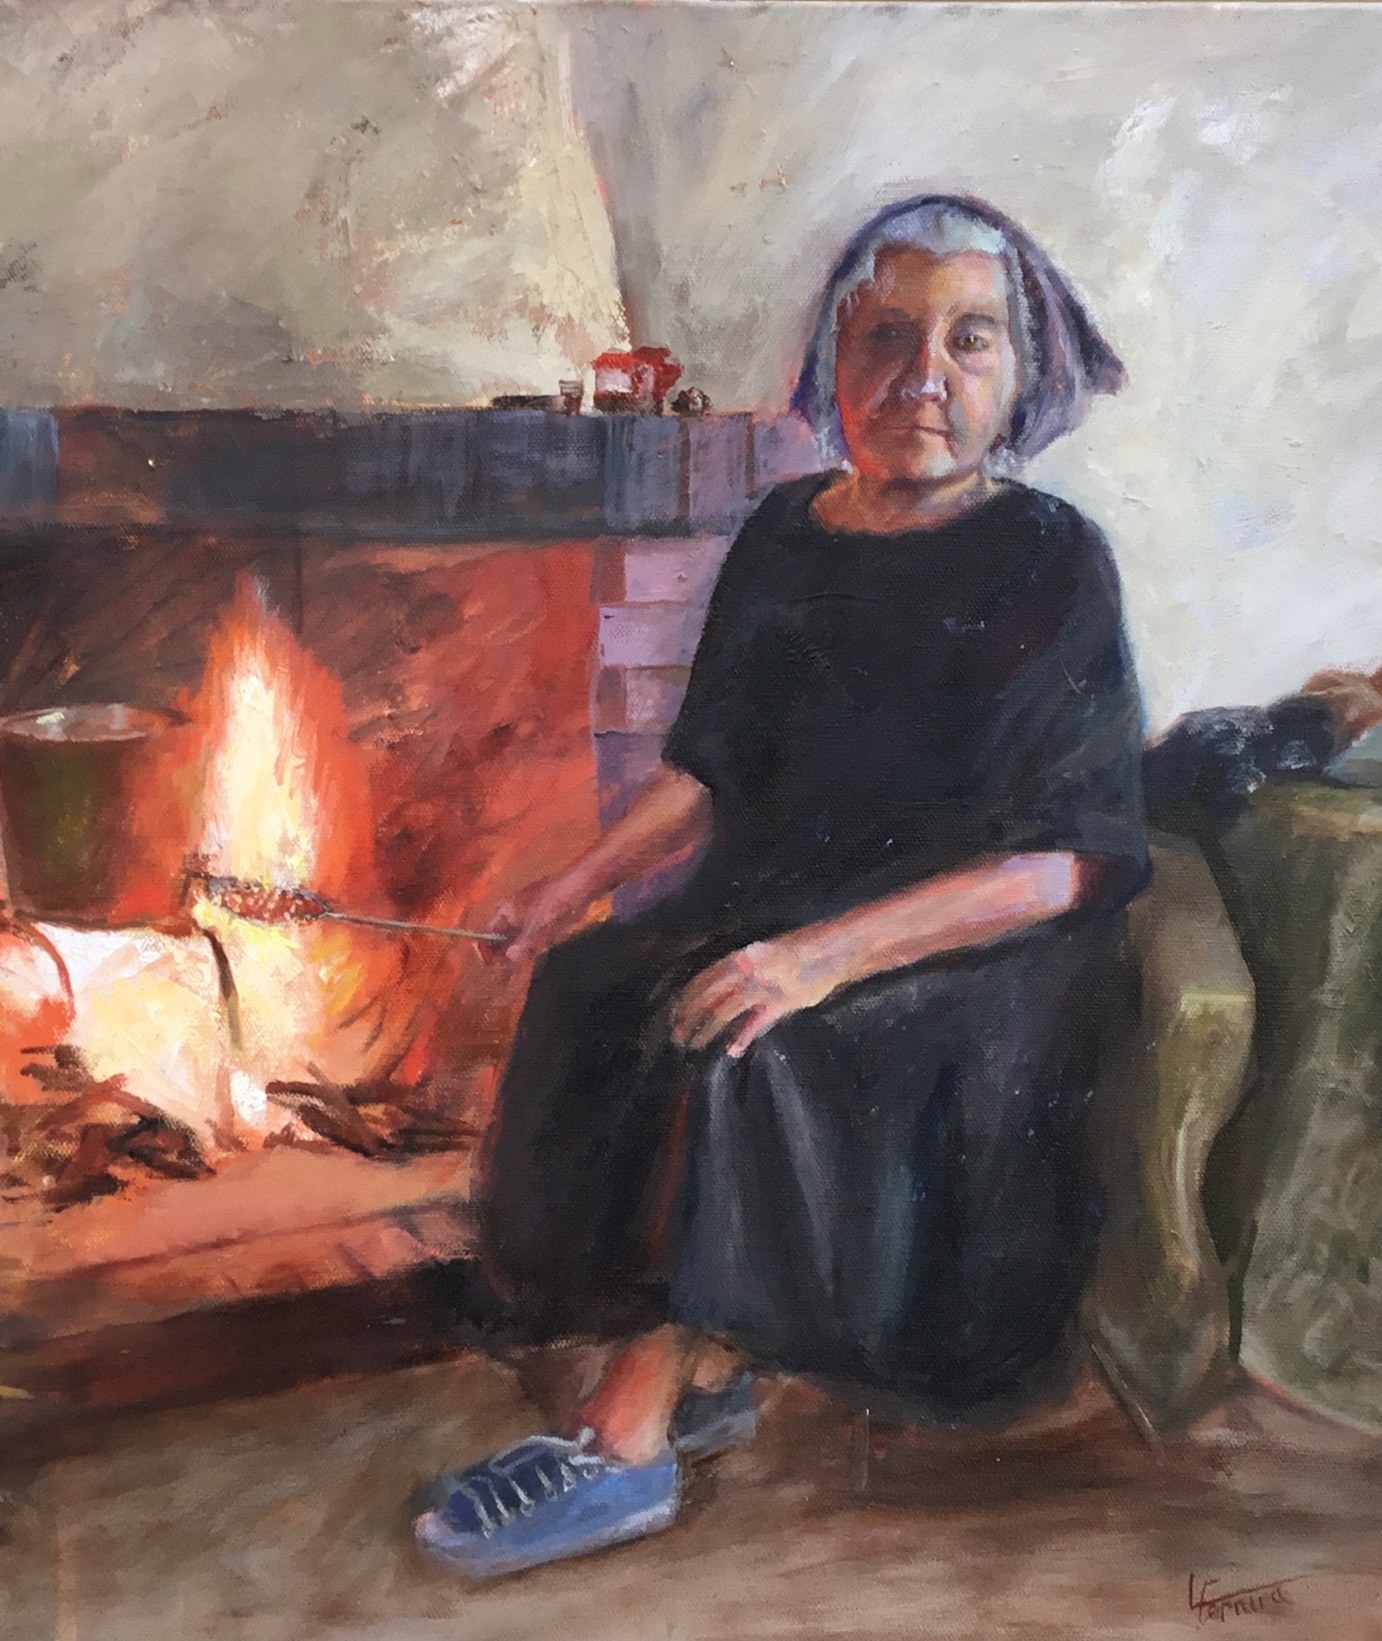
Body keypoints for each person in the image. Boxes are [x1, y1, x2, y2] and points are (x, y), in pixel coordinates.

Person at [414, 195, 1150, 1580]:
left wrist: (821, 959)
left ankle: (625, 1438)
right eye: (886, 337)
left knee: (748, 1034)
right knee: (596, 984)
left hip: (969, 958)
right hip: (783, 908)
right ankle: (695, 1357)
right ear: (833, 361)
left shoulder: (1051, 560)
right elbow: (707, 773)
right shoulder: (784, 537)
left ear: (1023, 370)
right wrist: (569, 884)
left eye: (968, 340)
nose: (922, 377)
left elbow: (1063, 860)